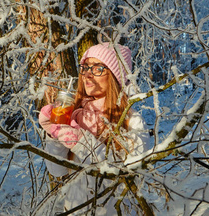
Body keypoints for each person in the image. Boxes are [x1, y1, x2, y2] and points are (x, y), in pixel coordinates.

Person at [39, 42, 150, 215]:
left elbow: (126, 178)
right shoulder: (75, 115)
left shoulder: (132, 121)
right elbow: (57, 170)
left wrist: (80, 142)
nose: (87, 75)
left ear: (115, 76)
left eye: (97, 68)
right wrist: (53, 133)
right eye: (85, 67)